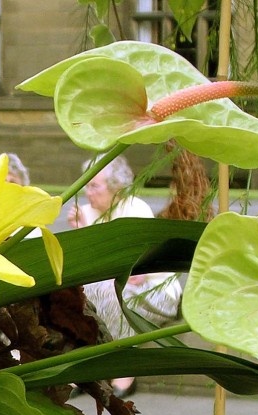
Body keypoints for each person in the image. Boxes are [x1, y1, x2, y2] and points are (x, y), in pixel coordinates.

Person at [68, 155, 182, 397]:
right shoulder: (85, 213)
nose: (88, 192)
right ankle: (89, 369)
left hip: (155, 293)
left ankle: (124, 374)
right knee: (79, 294)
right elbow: (86, 269)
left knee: (109, 292)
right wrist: (79, 234)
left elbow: (136, 272)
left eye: (94, 186)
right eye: (86, 185)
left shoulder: (135, 210)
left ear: (116, 188)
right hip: (114, 288)